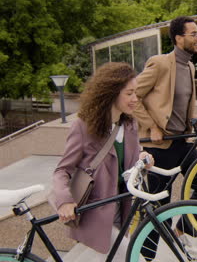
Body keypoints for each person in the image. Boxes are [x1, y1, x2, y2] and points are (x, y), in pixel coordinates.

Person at [51, 62, 152, 262]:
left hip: (121, 212)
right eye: (129, 93)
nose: (135, 99)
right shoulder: (83, 127)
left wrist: (142, 159)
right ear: (111, 93)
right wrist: (64, 201)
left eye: (136, 93)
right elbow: (61, 171)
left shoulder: (130, 124)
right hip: (95, 215)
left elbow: (127, 164)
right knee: (134, 258)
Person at [133, 16, 197, 259]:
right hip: (159, 147)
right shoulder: (160, 64)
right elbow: (132, 97)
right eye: (194, 34)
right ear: (179, 38)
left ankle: (181, 232)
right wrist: (151, 126)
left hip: (183, 142)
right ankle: (144, 257)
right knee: (159, 208)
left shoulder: (189, 66)